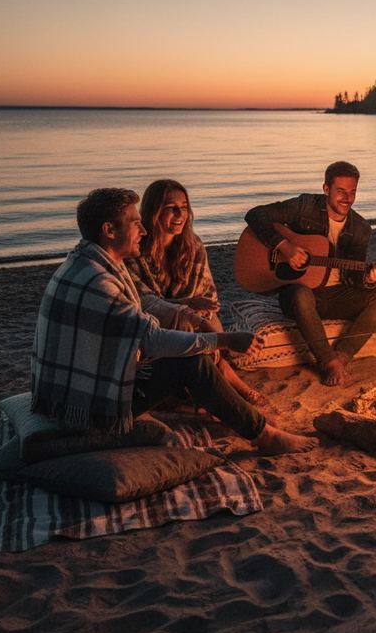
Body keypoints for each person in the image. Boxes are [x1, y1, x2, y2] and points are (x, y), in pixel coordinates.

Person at [31, 188, 315, 454]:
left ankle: (240, 416)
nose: (143, 230)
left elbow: (144, 304)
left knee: (193, 354)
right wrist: (223, 340)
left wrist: (189, 313)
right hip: (86, 408)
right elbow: (151, 339)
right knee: (194, 362)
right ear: (108, 230)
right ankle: (263, 435)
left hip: (68, 394)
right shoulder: (98, 281)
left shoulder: (90, 262)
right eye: (134, 223)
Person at [244, 161, 376, 387]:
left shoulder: (361, 228)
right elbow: (255, 215)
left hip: (336, 296)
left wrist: (369, 279)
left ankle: (342, 356)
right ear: (326, 189)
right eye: (341, 191)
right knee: (300, 295)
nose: (347, 199)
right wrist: (285, 247)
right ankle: (328, 362)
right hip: (301, 295)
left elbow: (353, 276)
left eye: (352, 192)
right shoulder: (305, 206)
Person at [126, 179, 265, 406]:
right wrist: (186, 304)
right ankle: (234, 384)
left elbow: (209, 295)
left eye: (184, 206)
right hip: (155, 324)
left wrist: (199, 307)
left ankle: (216, 382)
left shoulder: (193, 246)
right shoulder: (135, 251)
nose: (180, 213)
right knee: (188, 327)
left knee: (203, 322)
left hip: (199, 319)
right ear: (153, 211)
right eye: (171, 208)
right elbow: (141, 302)